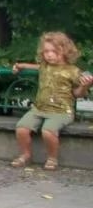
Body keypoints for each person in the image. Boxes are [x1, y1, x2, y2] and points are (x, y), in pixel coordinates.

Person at [11, 31, 92, 171]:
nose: (49, 54)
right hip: (39, 109)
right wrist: (19, 66)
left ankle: (52, 158)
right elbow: (35, 67)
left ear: (65, 51)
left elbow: (78, 94)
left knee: (48, 131)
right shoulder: (44, 66)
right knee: (21, 128)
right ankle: (25, 154)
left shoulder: (73, 71)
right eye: (46, 51)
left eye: (54, 51)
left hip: (61, 111)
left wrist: (85, 85)